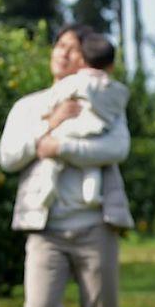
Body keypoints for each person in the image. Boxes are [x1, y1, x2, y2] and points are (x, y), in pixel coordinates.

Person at [0, 24, 135, 307]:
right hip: (45, 225)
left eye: (73, 49)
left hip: (95, 221)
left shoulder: (105, 101)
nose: (63, 53)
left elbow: (117, 148)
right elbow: (10, 156)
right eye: (59, 46)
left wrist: (61, 147)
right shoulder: (29, 106)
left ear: (85, 61)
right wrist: (51, 122)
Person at [27, 32, 130, 210]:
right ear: (111, 66)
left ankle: (47, 185)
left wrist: (49, 115)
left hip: (73, 128)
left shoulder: (76, 81)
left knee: (52, 159)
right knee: (93, 165)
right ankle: (91, 195)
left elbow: (57, 96)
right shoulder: (116, 90)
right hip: (98, 131)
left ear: (82, 60)